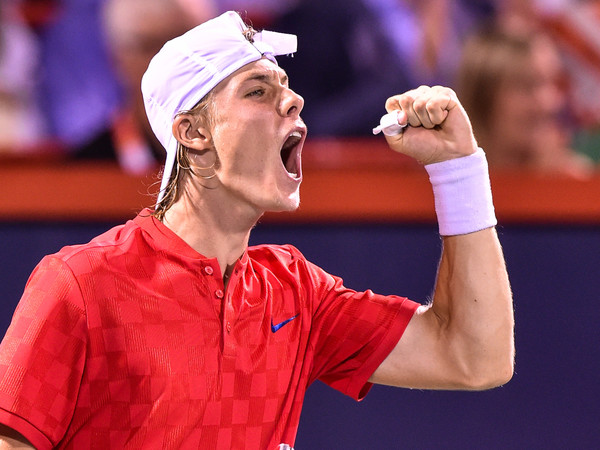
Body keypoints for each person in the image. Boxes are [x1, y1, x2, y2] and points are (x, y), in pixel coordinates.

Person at [0, 11, 514, 450]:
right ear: (193, 132)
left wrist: (458, 169)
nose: (293, 102)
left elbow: (474, 357)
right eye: (257, 91)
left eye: (287, 89)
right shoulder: (79, 284)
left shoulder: (296, 292)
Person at [456, 26, 594, 177]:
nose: (549, 103)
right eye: (526, 86)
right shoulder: (444, 182)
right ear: (482, 98)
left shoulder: (575, 180)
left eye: (554, 83)